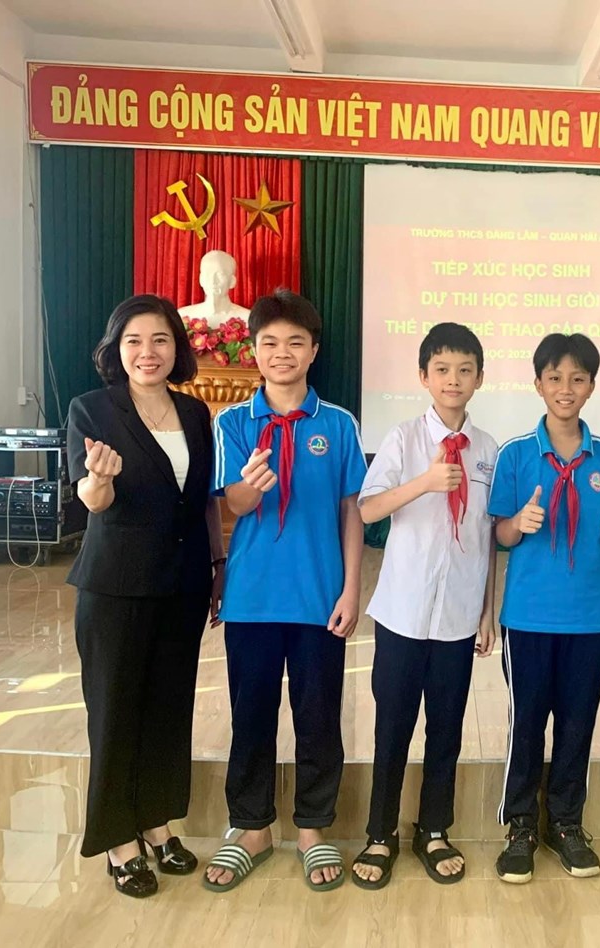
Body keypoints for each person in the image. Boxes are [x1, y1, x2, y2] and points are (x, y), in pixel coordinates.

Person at [204, 290, 367, 894]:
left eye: (295, 342)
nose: (282, 353)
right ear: (253, 350)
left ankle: (313, 828)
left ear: (313, 351)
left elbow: (352, 510)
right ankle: (250, 827)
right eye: (269, 342)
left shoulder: (339, 424)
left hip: (320, 598)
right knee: (250, 715)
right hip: (252, 597)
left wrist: (352, 588)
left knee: (319, 715)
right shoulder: (232, 423)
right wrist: (250, 487)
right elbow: (232, 504)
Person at [66, 294, 224, 899]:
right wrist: (99, 479)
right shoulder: (92, 410)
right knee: (115, 712)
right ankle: (118, 841)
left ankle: (156, 823)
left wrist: (217, 566)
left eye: (160, 339)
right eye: (134, 340)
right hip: (116, 588)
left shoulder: (194, 412)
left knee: (167, 709)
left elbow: (202, 500)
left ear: (177, 347)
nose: (147, 352)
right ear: (117, 349)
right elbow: (93, 501)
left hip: (183, 585)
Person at [351, 323, 498, 890]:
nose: (453, 379)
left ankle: (434, 829)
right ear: (423, 377)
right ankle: (380, 833)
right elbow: (368, 510)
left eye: (464, 370)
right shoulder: (404, 439)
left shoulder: (488, 450)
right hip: (404, 613)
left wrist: (486, 610)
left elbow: (487, 536)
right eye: (442, 369)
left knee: (447, 730)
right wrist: (426, 481)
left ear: (479, 378)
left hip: (459, 615)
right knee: (392, 727)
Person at [488, 333, 600, 884]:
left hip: (589, 615)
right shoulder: (516, 454)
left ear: (591, 386)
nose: (566, 388)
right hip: (528, 616)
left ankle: (566, 822)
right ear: (538, 384)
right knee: (527, 722)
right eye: (555, 378)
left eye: (578, 379)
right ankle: (521, 823)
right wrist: (518, 524)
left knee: (577, 721)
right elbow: (498, 533)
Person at [178, 250, 251, 328]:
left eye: (220, 274)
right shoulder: (183, 316)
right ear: (201, 279)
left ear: (232, 281)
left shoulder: (247, 318)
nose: (213, 281)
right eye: (207, 274)